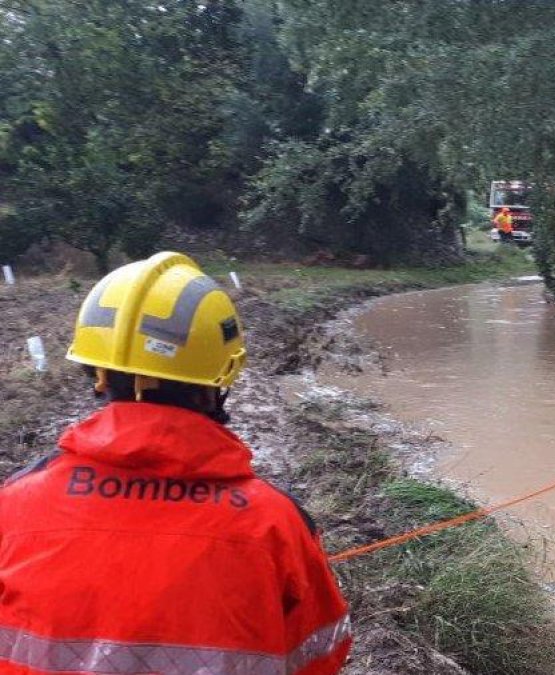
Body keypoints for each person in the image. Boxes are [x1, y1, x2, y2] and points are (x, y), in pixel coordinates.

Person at [0, 252, 351, 674]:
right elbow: (321, 656)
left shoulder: (13, 508)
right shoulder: (275, 524)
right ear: (220, 377)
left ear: (97, 373)